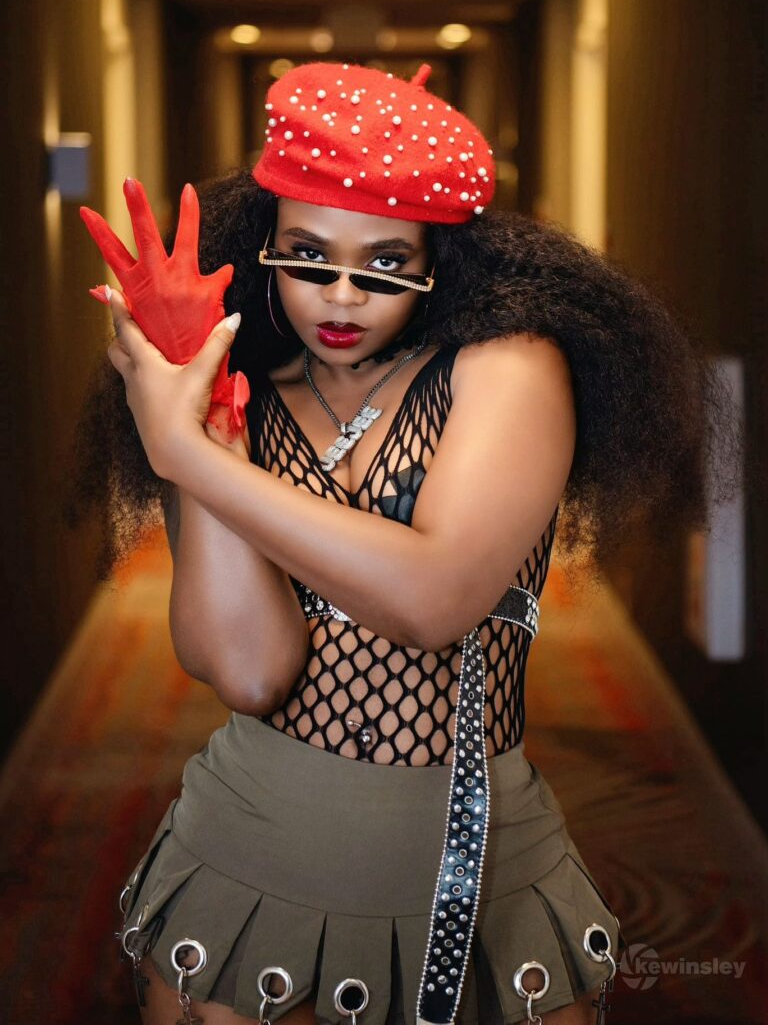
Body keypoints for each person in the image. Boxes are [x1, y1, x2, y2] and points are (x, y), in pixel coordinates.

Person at [67, 61, 732, 1025]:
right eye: (309, 258)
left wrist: (187, 457)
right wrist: (206, 430)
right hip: (249, 841)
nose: (341, 297)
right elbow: (249, 672)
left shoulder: (507, 369)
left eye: (384, 264)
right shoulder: (243, 399)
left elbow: (433, 601)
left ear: (438, 262)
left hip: (473, 855)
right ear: (265, 250)